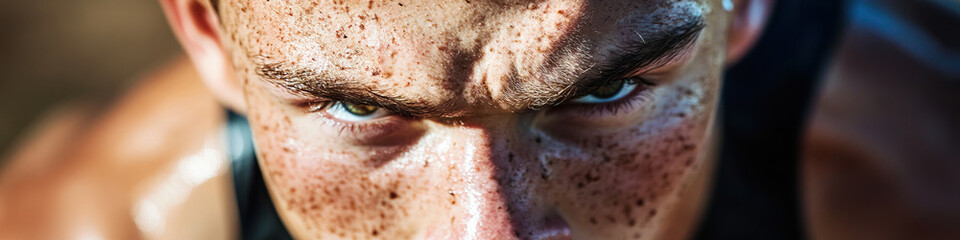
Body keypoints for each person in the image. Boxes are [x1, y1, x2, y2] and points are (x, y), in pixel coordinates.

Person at [0, 0, 957, 239]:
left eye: (599, 94)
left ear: (743, 8)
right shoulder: (102, 219)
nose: (483, 227)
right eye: (361, 107)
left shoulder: (913, 182)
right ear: (206, 30)